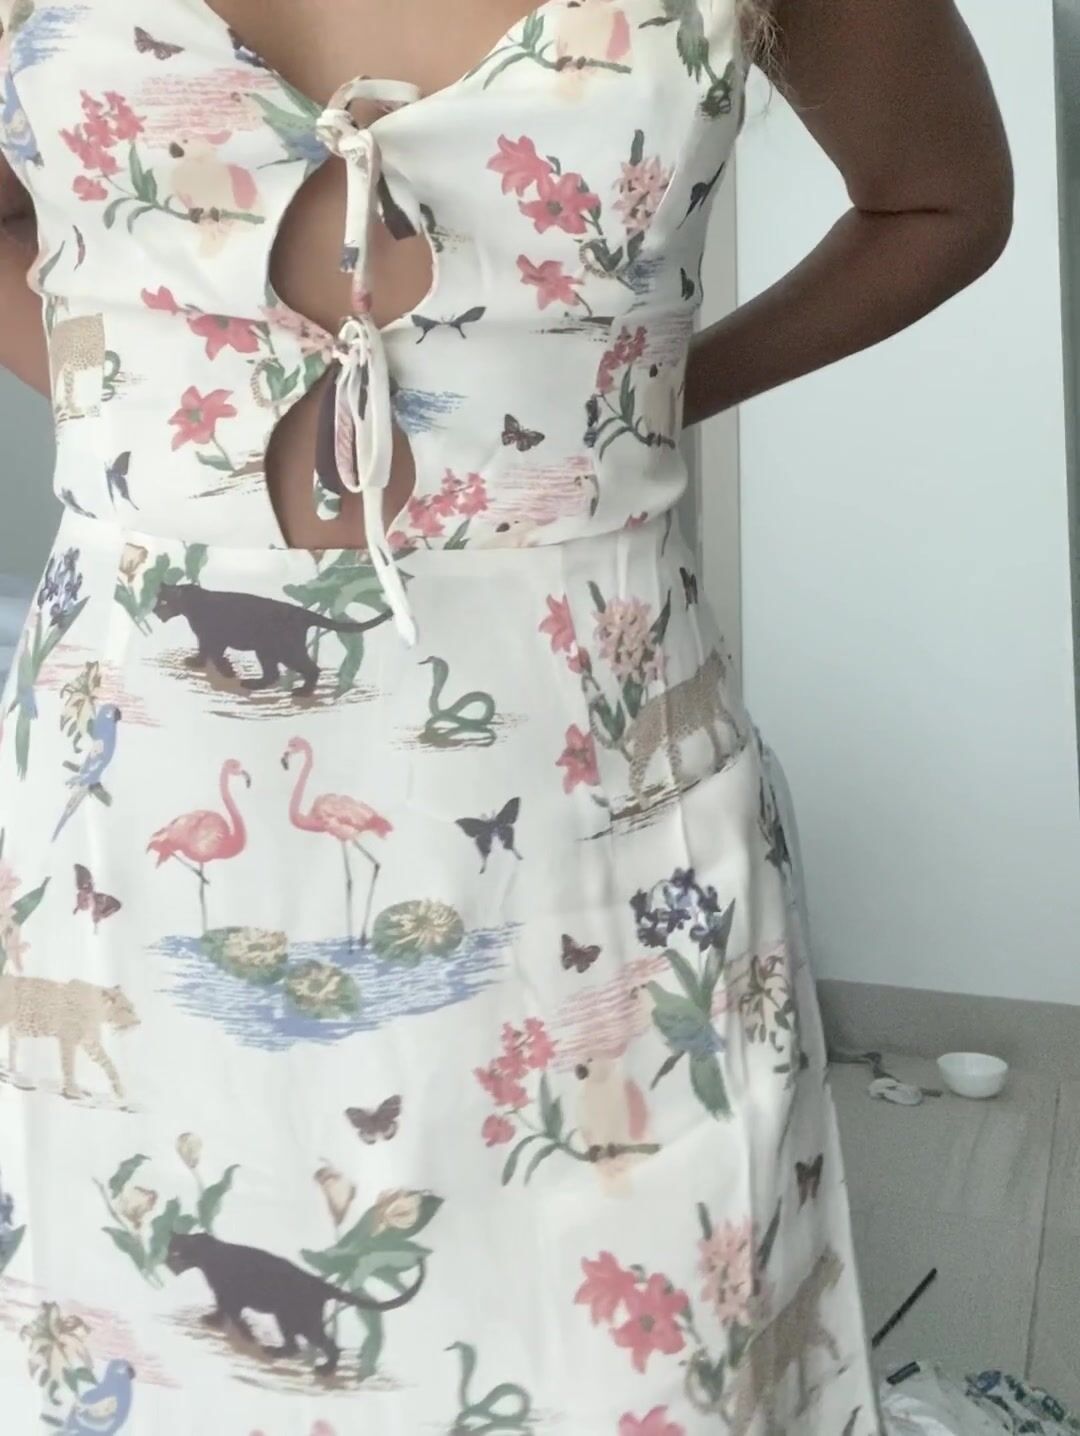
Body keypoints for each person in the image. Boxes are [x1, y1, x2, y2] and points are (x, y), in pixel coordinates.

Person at [0, 1, 1012, 1430]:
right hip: (132, 798)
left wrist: (632, 399)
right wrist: (154, 422)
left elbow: (941, 202)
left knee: (647, 1359)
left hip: (592, 803)